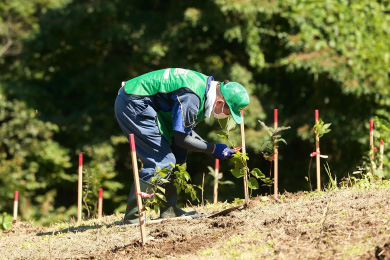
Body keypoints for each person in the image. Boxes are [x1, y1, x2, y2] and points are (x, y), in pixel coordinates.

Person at [114, 68, 249, 224]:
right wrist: (212, 148)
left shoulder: (203, 88)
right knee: (161, 161)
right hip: (132, 104)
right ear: (220, 102)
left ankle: (169, 209)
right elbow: (181, 138)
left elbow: (183, 133)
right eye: (228, 112)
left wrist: (212, 147)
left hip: (147, 105)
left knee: (178, 154)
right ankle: (133, 216)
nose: (227, 116)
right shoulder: (192, 98)